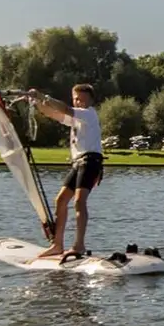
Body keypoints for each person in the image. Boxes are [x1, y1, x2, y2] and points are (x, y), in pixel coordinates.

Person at [25, 83, 105, 261]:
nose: (79, 102)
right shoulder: (75, 118)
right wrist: (36, 102)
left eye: (82, 99)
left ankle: (79, 245)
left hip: (91, 162)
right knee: (60, 200)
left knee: (79, 201)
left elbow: (65, 108)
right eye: (76, 98)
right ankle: (57, 245)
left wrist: (43, 96)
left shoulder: (89, 114)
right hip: (78, 164)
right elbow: (53, 113)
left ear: (91, 100)